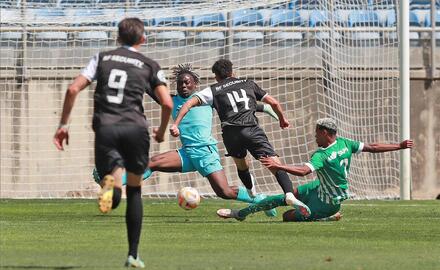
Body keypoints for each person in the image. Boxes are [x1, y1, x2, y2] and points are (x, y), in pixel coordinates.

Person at [53, 18, 173, 268]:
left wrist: (63, 125)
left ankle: (110, 188)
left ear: (117, 38)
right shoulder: (150, 64)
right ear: (143, 39)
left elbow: (73, 89)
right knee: (136, 190)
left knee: (113, 182)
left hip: (106, 127)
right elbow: (167, 103)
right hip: (135, 129)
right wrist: (161, 132)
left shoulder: (102, 58)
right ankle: (133, 255)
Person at [92, 63, 280, 216]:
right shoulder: (171, 101)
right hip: (187, 152)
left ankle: (261, 200)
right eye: (180, 83)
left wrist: (270, 111)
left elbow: (241, 106)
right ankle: (111, 185)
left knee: (224, 192)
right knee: (151, 163)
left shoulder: (207, 98)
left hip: (205, 152)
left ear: (195, 84)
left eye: (187, 82)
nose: (183, 85)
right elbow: (150, 88)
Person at [170, 59, 311, 217]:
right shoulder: (248, 83)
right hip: (251, 129)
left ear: (216, 76)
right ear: (232, 72)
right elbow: (273, 102)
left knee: (242, 165)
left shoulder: (213, 90)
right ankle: (289, 194)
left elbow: (188, 104)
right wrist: (282, 119)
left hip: (231, 134)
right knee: (274, 163)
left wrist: (176, 124)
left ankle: (251, 191)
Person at [216, 118, 414, 222]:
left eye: (317, 133)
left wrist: (279, 165)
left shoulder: (322, 155)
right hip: (320, 188)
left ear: (325, 133)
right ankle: (241, 213)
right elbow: (373, 147)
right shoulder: (345, 143)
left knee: (287, 217)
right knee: (285, 196)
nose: (315, 137)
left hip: (327, 204)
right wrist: (400, 145)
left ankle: (326, 217)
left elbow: (303, 171)